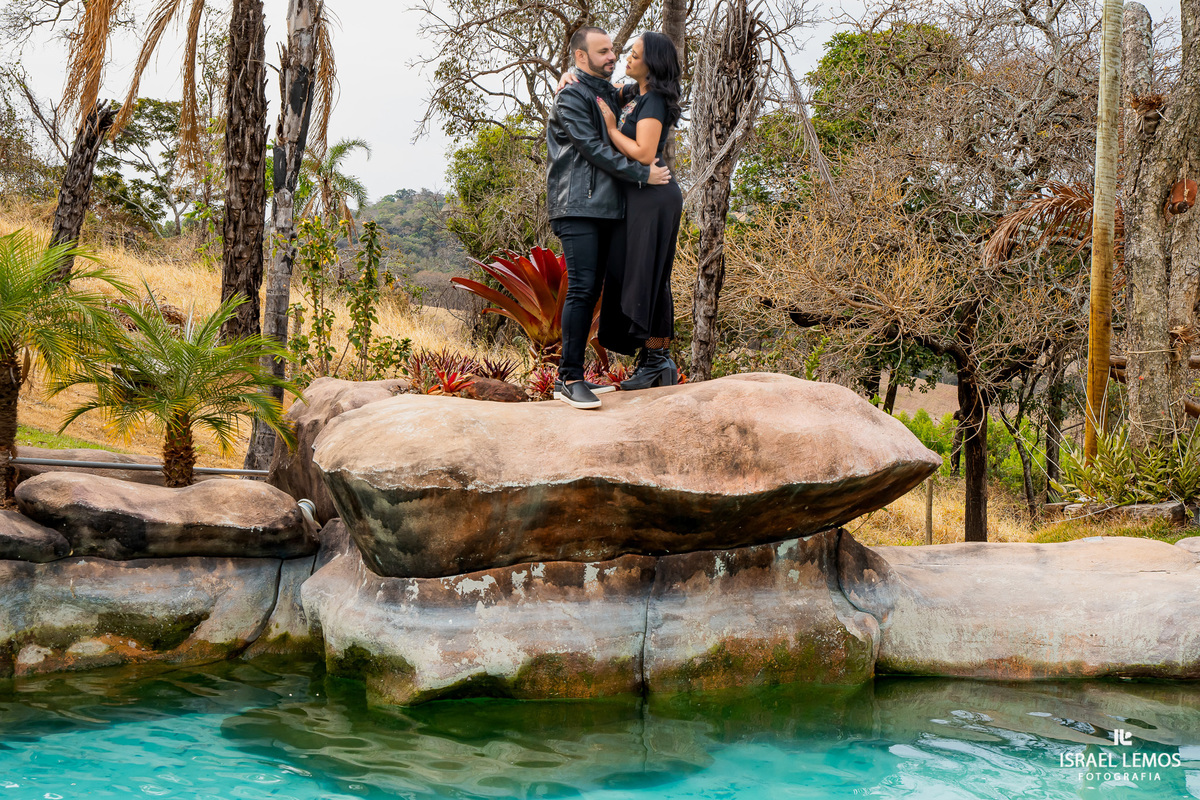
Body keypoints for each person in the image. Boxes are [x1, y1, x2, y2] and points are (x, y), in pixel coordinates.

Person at [546, 26, 672, 410]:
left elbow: (655, 82)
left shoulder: (609, 92)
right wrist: (642, 173)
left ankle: (652, 357)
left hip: (607, 209)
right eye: (603, 52)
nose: (613, 56)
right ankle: (569, 378)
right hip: (577, 206)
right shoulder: (571, 97)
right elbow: (592, 148)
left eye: (614, 50)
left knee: (599, 287)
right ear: (581, 57)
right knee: (583, 289)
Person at [594, 32, 683, 390]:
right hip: (636, 199)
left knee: (651, 276)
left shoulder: (656, 101)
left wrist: (613, 130)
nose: (626, 59)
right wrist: (569, 75)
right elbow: (601, 91)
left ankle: (657, 360)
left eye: (634, 55)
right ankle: (651, 361)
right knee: (631, 273)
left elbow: (645, 153)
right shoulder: (635, 94)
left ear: (652, 65)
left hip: (654, 198)